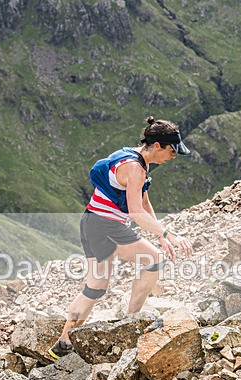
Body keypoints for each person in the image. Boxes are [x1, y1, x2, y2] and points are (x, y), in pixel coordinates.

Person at [49, 117, 194, 360]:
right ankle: (131, 322)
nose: (173, 156)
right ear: (157, 145)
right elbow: (136, 212)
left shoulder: (135, 158)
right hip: (105, 225)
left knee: (95, 288)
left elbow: (144, 203)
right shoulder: (135, 168)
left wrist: (160, 235)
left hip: (92, 222)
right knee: (154, 260)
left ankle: (62, 344)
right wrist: (169, 234)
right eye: (171, 150)